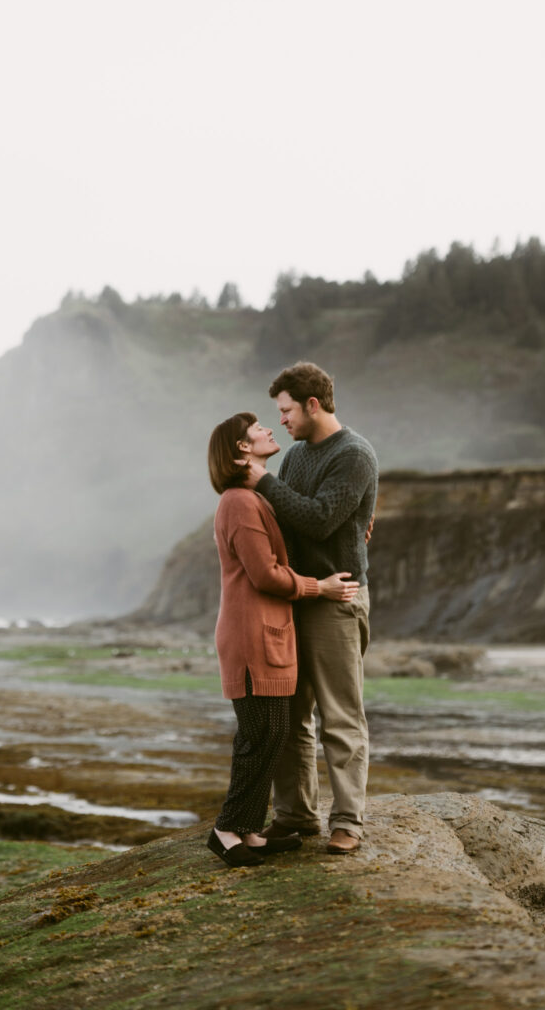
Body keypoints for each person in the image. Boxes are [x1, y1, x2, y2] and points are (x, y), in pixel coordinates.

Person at [206, 411, 360, 868]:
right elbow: (266, 575)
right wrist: (321, 587)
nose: (270, 429)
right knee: (261, 735)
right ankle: (226, 829)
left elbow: (298, 533)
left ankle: (249, 830)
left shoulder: (256, 499)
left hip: (266, 634)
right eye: (257, 429)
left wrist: (353, 529)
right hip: (252, 637)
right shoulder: (239, 502)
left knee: (271, 734)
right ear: (241, 449)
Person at [238, 362, 378, 854]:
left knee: (340, 716)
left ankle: (349, 822)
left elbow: (318, 519)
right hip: (298, 594)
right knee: (291, 715)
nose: (282, 422)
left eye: (287, 410)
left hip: (336, 599)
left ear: (312, 404)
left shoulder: (355, 454)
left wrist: (263, 482)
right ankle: (296, 816)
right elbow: (284, 519)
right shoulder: (296, 457)